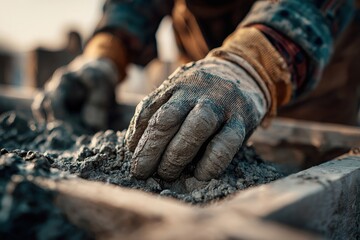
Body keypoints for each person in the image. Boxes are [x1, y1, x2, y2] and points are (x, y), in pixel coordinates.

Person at [32, 0, 360, 181]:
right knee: (191, 143)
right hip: (199, 83)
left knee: (311, 191)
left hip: (309, 85)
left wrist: (253, 64)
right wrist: (106, 52)